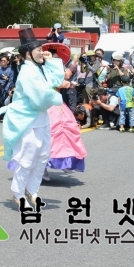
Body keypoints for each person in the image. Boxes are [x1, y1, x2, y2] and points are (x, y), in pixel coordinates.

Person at [0, 29, 66, 209]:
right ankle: (18, 193)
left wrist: (52, 60)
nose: (42, 52)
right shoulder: (28, 72)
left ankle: (32, 190)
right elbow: (40, 98)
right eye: (38, 50)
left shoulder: (38, 69)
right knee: (26, 158)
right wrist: (57, 99)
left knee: (42, 156)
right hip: (27, 119)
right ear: (28, 54)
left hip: (40, 118)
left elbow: (57, 79)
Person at [41, 42, 87, 178]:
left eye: (56, 59)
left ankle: (65, 161)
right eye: (52, 58)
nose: (55, 61)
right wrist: (68, 83)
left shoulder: (54, 67)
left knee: (66, 132)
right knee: (48, 134)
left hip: (57, 103)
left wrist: (74, 61)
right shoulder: (41, 69)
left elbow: (64, 75)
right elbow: (58, 81)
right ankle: (42, 167)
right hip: (45, 104)